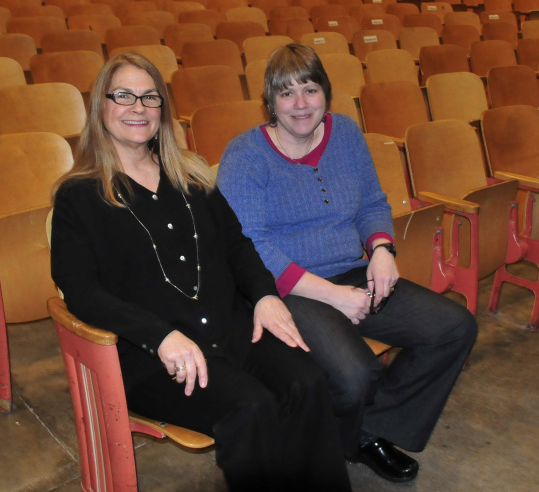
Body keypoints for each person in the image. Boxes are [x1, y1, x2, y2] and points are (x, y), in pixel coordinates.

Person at [49, 52, 351, 491]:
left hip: (228, 328)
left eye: (150, 98)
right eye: (124, 96)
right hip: (151, 355)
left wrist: (265, 295)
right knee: (250, 407)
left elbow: (237, 246)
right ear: (101, 107)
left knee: (308, 382)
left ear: (162, 111)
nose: (139, 108)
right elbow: (81, 292)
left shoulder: (190, 176)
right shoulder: (78, 197)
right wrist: (160, 336)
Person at [217, 43, 478, 484]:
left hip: (352, 271)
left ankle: (365, 432)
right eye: (286, 93)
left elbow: (372, 202)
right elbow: (250, 245)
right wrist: (334, 297)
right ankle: (337, 440)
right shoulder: (245, 156)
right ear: (270, 102)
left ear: (327, 94)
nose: (301, 104)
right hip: (287, 289)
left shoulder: (347, 133)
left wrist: (380, 250)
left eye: (310, 89)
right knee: (357, 375)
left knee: (454, 328)